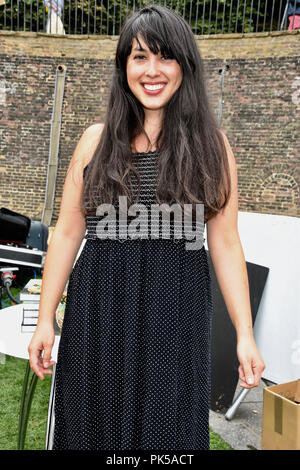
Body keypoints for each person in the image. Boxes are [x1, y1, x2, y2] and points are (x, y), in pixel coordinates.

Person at [28, 5, 265, 451]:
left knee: (166, 438)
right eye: (139, 57)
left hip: (175, 316)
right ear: (123, 66)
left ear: (184, 66)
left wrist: (245, 335)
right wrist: (44, 319)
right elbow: (65, 233)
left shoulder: (212, 148)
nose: (152, 70)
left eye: (165, 56)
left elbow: (228, 244)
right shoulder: (95, 141)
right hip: (98, 312)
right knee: (90, 428)